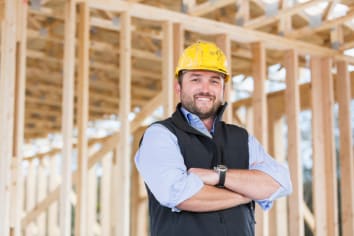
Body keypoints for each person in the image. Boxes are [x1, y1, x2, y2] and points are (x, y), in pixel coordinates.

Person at [134, 41, 292, 236]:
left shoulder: (241, 138)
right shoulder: (161, 135)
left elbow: (280, 182)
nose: (205, 89)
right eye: (195, 79)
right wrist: (246, 193)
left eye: (214, 81)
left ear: (223, 89)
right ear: (178, 87)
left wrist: (219, 176)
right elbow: (180, 194)